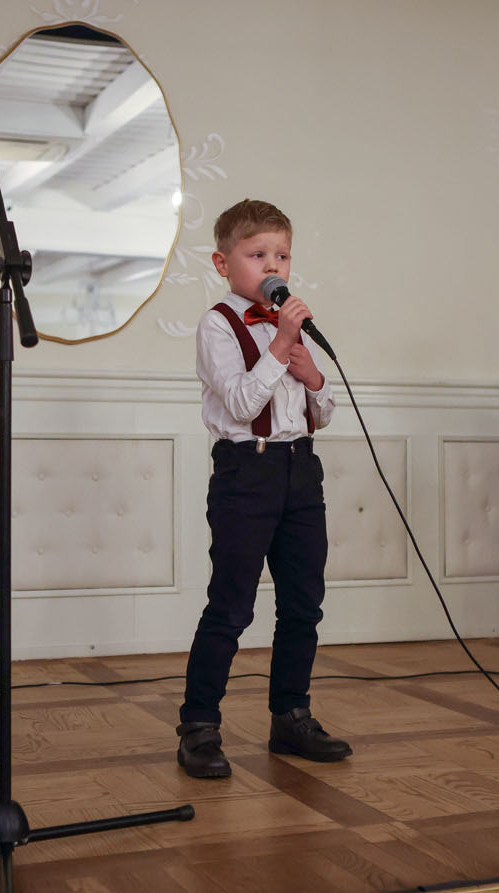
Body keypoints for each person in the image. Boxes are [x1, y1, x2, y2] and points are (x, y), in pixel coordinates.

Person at [176, 199, 352, 778]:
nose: (273, 265)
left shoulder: (290, 330)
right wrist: (279, 348)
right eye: (257, 255)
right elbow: (241, 402)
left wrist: (313, 375)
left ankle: (291, 716)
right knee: (231, 605)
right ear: (223, 263)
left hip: (300, 471)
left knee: (303, 603)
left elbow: (320, 413)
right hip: (245, 475)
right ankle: (199, 727)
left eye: (282, 255)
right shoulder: (217, 326)